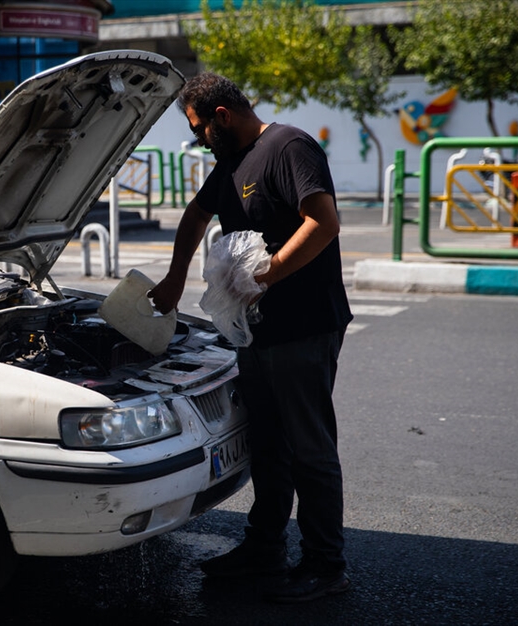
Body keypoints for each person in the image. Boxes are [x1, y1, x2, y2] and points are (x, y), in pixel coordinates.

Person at [148, 72, 353, 603]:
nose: (196, 140)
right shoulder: (231, 162)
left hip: (304, 325)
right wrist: (174, 277)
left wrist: (267, 274)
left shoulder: (288, 147)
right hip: (256, 329)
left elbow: (324, 222)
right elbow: (197, 215)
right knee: (268, 444)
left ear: (221, 116)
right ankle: (264, 549)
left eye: (198, 129)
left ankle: (325, 564)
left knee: (308, 448)